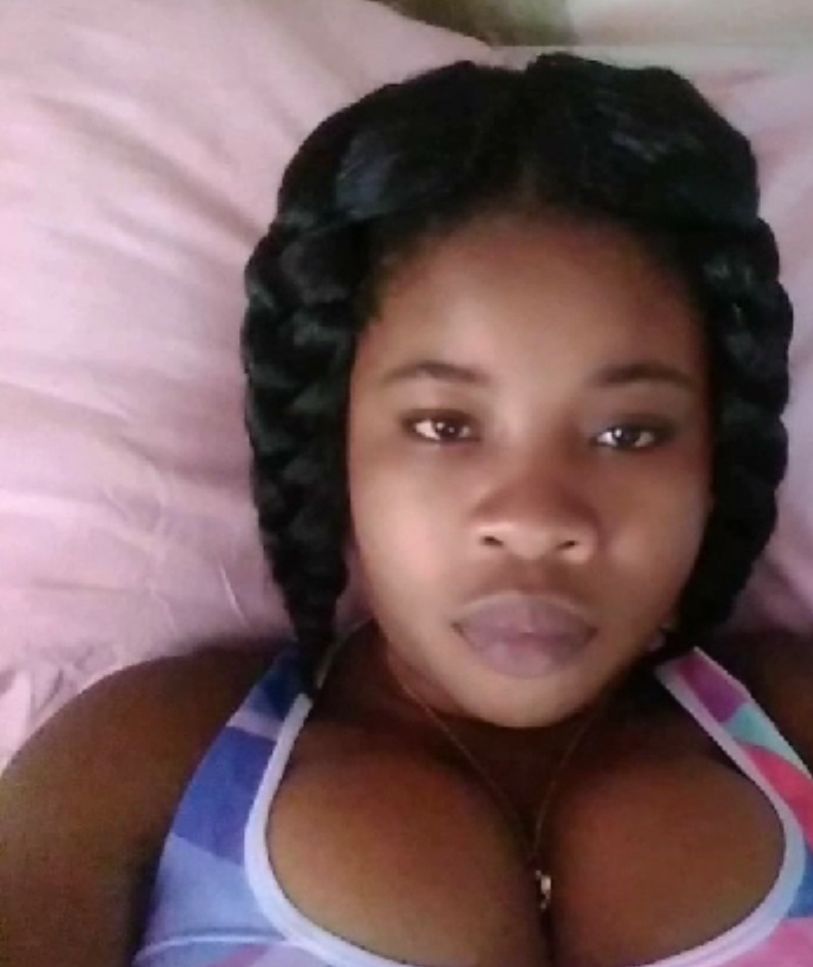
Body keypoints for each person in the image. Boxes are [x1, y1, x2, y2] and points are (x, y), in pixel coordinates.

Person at [1, 51, 810, 967]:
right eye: (443, 425)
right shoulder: (145, 755)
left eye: (628, 433)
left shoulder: (793, 718)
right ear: (335, 444)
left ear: (711, 463)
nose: (535, 517)